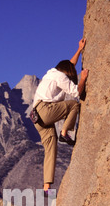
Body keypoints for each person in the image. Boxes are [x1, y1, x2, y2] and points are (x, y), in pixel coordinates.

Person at [32, 38, 89, 194]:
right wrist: (83, 78)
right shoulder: (62, 77)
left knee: (51, 149)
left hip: (36, 117)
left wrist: (79, 49)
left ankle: (46, 188)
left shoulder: (52, 72)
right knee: (74, 105)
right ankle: (65, 133)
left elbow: (70, 65)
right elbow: (77, 92)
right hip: (45, 110)